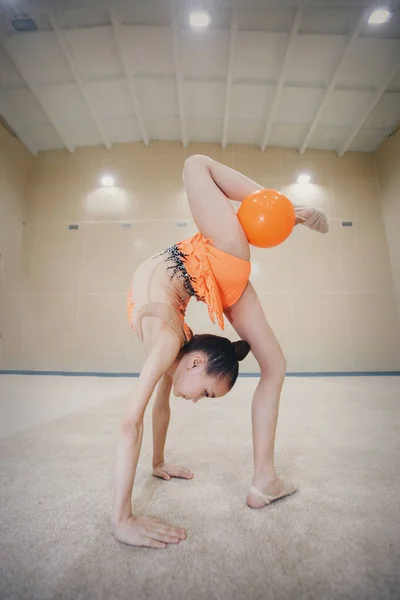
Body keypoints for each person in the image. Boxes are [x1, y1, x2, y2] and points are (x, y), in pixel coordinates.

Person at [112, 154, 329, 549]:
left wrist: (156, 465)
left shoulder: (171, 346)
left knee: (275, 364)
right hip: (216, 263)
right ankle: (265, 482)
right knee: (195, 164)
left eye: (205, 395)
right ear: (195, 361)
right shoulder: (170, 345)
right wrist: (123, 517)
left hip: (213, 267)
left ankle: (266, 481)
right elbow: (138, 419)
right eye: (209, 393)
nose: (199, 400)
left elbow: (150, 412)